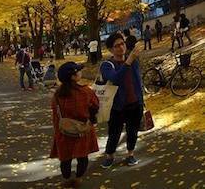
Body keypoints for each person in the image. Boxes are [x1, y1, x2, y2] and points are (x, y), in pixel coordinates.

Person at [50, 62, 99, 188]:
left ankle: (66, 179)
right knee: (83, 157)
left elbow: (56, 115)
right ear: (72, 76)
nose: (80, 72)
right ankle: (78, 178)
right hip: (82, 131)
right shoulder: (85, 92)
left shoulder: (57, 95)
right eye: (78, 70)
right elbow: (95, 106)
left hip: (64, 132)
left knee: (65, 158)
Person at [100, 32, 144, 168]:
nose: (121, 47)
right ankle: (109, 156)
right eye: (116, 45)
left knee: (132, 132)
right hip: (117, 106)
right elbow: (116, 78)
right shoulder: (107, 65)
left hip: (135, 104)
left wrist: (141, 100)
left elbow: (138, 81)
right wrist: (129, 60)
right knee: (114, 133)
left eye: (122, 43)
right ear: (110, 50)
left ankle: (130, 154)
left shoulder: (134, 61)